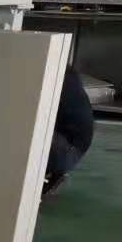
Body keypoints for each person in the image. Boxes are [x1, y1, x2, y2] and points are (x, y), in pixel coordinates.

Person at [44, 67, 95, 197]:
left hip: (68, 151)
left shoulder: (56, 77)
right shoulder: (64, 73)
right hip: (70, 148)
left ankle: (52, 172)